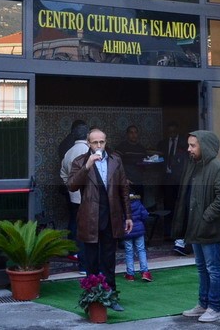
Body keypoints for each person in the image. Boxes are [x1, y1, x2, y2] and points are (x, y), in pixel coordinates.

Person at [173, 130, 220, 324]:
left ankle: (215, 308)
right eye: (189, 145)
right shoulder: (194, 165)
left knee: (213, 269)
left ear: (204, 146)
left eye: (193, 145)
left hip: (209, 228)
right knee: (202, 268)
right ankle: (203, 303)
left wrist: (206, 217)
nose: (189, 149)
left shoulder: (217, 167)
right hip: (196, 227)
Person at [67, 127, 131, 312]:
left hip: (111, 216)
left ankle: (111, 296)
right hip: (90, 217)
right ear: (88, 143)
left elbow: (124, 189)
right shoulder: (80, 161)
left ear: (106, 142)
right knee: (91, 260)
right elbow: (72, 185)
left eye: (101, 142)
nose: (99, 145)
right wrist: (87, 166)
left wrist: (128, 216)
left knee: (109, 260)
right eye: (95, 142)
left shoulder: (115, 160)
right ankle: (93, 298)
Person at [59, 121, 90, 269]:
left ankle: (75, 252)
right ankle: (85, 265)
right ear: (88, 135)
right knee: (87, 231)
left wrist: (71, 187)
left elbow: (63, 173)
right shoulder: (89, 151)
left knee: (76, 224)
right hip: (89, 198)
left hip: (74, 196)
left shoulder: (69, 152)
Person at [157, 122, 187, 243]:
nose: (172, 134)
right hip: (167, 179)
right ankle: (168, 233)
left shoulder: (184, 143)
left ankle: (180, 232)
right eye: (170, 132)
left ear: (177, 131)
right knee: (168, 206)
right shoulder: (162, 144)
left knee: (180, 205)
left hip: (180, 179)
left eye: (174, 132)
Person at [122, 193, 152, 282]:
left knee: (129, 252)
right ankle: (145, 272)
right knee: (141, 250)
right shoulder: (138, 203)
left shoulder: (122, 205)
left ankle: (130, 274)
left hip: (127, 231)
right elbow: (145, 215)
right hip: (139, 230)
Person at [116, 125, 147, 193]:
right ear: (127, 134)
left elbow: (145, 164)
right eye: (131, 132)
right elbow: (115, 164)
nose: (133, 135)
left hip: (138, 181)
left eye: (135, 132)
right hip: (126, 181)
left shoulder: (141, 148)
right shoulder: (121, 147)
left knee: (139, 198)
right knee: (128, 199)